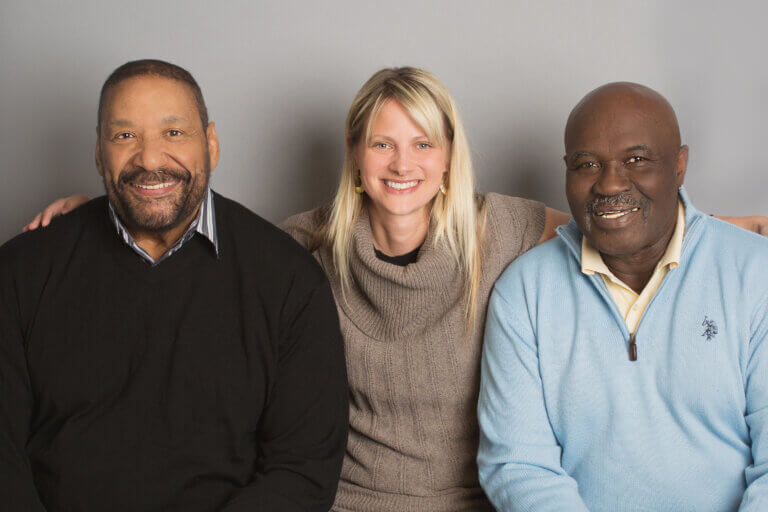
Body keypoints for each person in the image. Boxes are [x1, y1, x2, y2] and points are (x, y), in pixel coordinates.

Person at [22, 69, 768, 511]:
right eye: (382, 142)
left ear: (448, 159)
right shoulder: (300, 251)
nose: (401, 163)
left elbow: (606, 215)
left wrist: (710, 229)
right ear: (355, 156)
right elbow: (197, 226)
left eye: (422, 143)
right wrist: (96, 211)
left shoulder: (498, 230)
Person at [0, 59, 349, 511]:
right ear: (98, 153)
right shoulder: (21, 272)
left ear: (211, 145)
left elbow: (302, 470)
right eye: (125, 136)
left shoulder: (288, 281)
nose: (148, 159)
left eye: (174, 133)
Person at [477, 82, 768, 511]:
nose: (610, 184)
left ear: (680, 165)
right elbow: (519, 466)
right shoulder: (523, 294)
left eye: (636, 159)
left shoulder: (755, 272)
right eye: (587, 164)